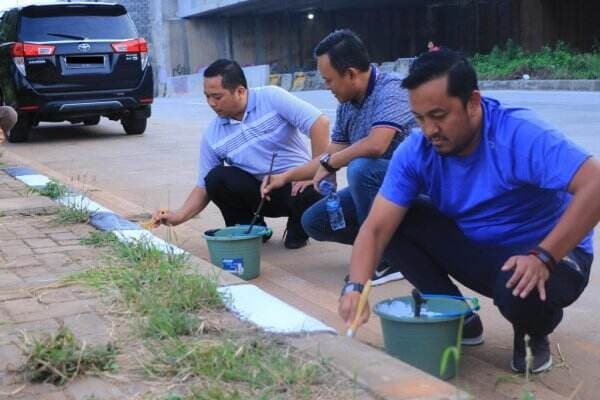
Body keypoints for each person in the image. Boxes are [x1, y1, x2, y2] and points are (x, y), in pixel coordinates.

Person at [339, 49, 600, 374]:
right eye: (419, 118)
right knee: (399, 222)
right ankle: (459, 319)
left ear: (473, 102)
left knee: (516, 291)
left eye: (439, 115)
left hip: (555, 256)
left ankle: (535, 331)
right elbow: (376, 228)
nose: (429, 129)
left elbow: (595, 183)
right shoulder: (417, 152)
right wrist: (356, 285)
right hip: (484, 251)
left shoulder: (518, 134)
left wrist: (544, 257)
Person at [263, 29, 415, 286]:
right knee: (315, 222)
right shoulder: (347, 105)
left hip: (415, 187)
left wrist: (331, 163)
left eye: (329, 79)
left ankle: (387, 256)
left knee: (361, 169)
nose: (327, 86)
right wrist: (284, 177)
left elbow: (377, 145)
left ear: (351, 74)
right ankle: (404, 244)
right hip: (382, 194)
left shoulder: (392, 89)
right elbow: (330, 153)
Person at [152, 59, 329, 249]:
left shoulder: (272, 98)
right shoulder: (213, 134)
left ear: (240, 91)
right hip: (257, 193)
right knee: (216, 178)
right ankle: (251, 229)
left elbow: (319, 123)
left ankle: (297, 229)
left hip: (294, 186)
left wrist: (313, 173)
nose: (211, 103)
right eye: (207, 96)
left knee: (317, 189)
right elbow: (203, 186)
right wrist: (178, 216)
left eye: (217, 97)